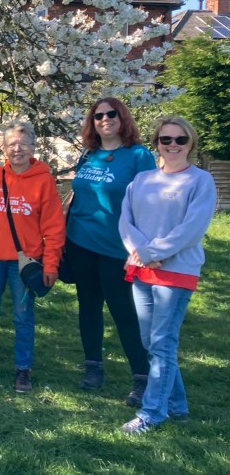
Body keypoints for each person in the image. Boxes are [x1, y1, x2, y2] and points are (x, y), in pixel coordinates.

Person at [117, 116, 216, 435]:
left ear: (191, 143)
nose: (172, 145)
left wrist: (154, 251)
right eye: (165, 139)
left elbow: (192, 227)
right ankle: (177, 406)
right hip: (142, 270)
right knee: (152, 342)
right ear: (157, 143)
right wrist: (140, 250)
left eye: (180, 140)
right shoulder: (142, 179)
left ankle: (152, 413)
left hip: (176, 272)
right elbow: (125, 220)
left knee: (161, 342)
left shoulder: (200, 181)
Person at [65, 98, 154, 405]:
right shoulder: (88, 154)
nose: (105, 119)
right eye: (98, 115)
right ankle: (93, 368)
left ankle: (142, 378)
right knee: (88, 307)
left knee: (124, 312)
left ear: (122, 117)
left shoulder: (138, 156)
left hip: (118, 248)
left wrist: (140, 246)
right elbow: (77, 195)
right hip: (80, 243)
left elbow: (150, 204)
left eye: (111, 114)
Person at [0, 120, 65, 393]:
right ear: (4, 149)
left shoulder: (44, 181)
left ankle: (23, 369)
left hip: (25, 263)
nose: (17, 149)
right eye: (11, 144)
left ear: (33, 146)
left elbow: (54, 228)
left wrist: (51, 264)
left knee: (23, 316)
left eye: (22, 144)